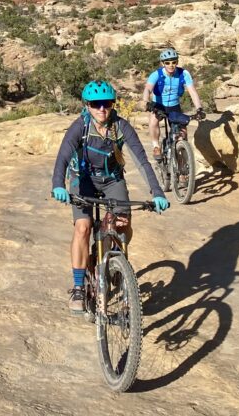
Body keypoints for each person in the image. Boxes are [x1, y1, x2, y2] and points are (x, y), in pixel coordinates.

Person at [51, 79, 169, 313]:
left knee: (122, 224)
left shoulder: (121, 126)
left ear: (112, 104)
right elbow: (63, 157)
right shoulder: (80, 127)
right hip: (82, 180)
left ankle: (115, 263)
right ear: (87, 106)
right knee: (83, 227)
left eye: (106, 103)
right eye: (96, 104)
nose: (102, 108)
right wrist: (58, 185)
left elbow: (142, 161)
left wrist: (157, 192)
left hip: (112, 179)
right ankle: (78, 287)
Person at [142, 47, 206, 160]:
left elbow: (192, 91)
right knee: (153, 121)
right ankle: (156, 146)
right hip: (158, 105)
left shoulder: (184, 73)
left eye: (174, 62)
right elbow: (147, 89)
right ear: (163, 63)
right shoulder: (156, 74)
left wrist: (199, 108)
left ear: (177, 62)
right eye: (167, 63)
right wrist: (147, 102)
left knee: (183, 133)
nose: (171, 65)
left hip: (174, 106)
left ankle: (182, 168)